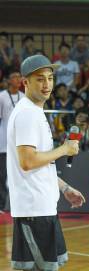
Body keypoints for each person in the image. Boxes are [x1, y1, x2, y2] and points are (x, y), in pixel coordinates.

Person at [0, 55, 85, 271]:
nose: (47, 84)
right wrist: (64, 148)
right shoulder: (26, 114)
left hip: (44, 202)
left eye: (49, 78)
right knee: (36, 269)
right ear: (25, 83)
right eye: (39, 79)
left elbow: (40, 163)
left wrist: (63, 187)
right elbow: (27, 161)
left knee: (50, 264)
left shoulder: (36, 112)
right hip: (32, 206)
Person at [0, 69, 25, 212]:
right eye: (14, 77)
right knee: (3, 176)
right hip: (4, 143)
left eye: (19, 77)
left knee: (20, 175)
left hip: (20, 143)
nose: (17, 79)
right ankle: (2, 205)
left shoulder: (24, 97)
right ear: (8, 80)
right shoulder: (2, 96)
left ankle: (19, 204)